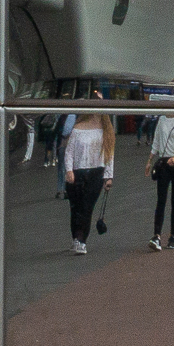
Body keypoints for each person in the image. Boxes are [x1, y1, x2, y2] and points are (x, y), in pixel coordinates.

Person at [62, 105, 115, 255]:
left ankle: (82, 240)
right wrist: (69, 170)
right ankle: (76, 238)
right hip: (77, 173)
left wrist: (108, 177)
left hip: (96, 172)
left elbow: (109, 155)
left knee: (87, 207)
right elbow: (69, 152)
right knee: (76, 208)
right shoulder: (78, 128)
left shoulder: (106, 131)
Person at [146, 113, 174, 251]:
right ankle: (157, 236)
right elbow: (157, 141)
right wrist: (149, 160)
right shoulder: (162, 119)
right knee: (161, 199)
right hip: (165, 162)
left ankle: (173, 236)